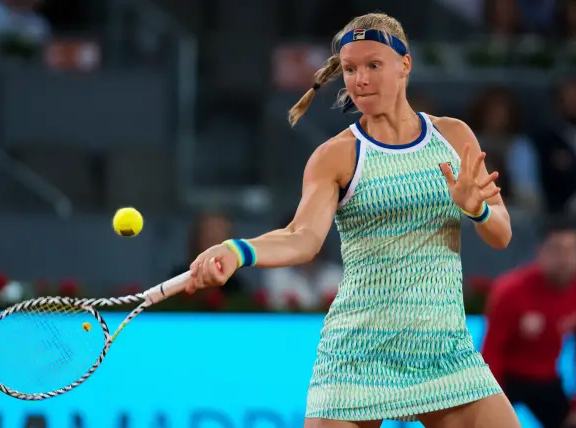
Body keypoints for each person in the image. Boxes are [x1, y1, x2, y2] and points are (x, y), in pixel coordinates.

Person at [186, 12, 519, 428]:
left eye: (373, 65)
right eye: (350, 69)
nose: (359, 79)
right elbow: (301, 237)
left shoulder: (454, 137)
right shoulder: (336, 155)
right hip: (358, 352)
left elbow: (501, 234)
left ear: (405, 65)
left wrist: (477, 209)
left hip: (443, 348)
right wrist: (238, 250)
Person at [481, 218, 576, 428]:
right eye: (557, 250)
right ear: (541, 252)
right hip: (505, 377)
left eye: (571, 251)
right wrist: (491, 403)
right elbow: (492, 350)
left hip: (546, 379)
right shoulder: (510, 291)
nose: (564, 259)